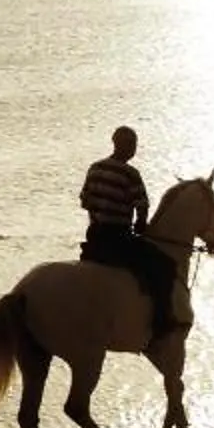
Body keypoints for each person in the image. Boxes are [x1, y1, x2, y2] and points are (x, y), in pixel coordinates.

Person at [79, 125, 183, 341]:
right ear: (124, 146)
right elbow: (142, 206)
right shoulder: (130, 174)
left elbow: (85, 201)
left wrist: (98, 218)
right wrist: (141, 225)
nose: (134, 150)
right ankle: (162, 322)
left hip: (95, 235)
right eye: (133, 145)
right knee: (165, 267)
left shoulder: (95, 168)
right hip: (118, 238)